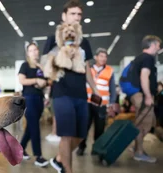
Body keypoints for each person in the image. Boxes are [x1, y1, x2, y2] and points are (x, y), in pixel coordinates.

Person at [42, 1, 99, 172]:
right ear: (64, 16)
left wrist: (95, 90)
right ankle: (67, 169)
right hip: (61, 93)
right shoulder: (53, 39)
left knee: (80, 135)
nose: (76, 17)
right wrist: (59, 55)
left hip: (81, 93)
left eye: (79, 14)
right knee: (66, 135)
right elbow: (45, 64)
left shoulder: (84, 42)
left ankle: (59, 160)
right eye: (73, 13)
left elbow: (87, 68)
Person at [77, 48, 116, 156]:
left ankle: (96, 148)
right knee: (85, 126)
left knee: (100, 128)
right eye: (101, 56)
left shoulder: (110, 70)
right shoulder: (88, 68)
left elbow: (112, 88)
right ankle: (81, 147)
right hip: (88, 102)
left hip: (102, 104)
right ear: (96, 57)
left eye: (105, 57)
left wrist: (111, 103)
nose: (103, 58)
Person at [130, 35, 161, 163]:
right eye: (158, 46)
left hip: (138, 95)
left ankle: (138, 148)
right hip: (142, 96)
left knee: (143, 123)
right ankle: (139, 152)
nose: (159, 48)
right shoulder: (148, 58)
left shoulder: (140, 58)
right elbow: (144, 77)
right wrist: (148, 96)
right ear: (152, 45)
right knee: (143, 125)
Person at [19, 43, 49, 167]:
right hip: (29, 98)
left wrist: (45, 93)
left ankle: (20, 149)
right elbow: (22, 80)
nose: (34, 52)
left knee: (30, 127)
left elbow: (46, 82)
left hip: (40, 99)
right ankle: (38, 156)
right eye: (31, 50)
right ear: (28, 53)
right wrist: (36, 81)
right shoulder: (25, 65)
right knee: (35, 127)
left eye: (35, 49)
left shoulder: (41, 67)